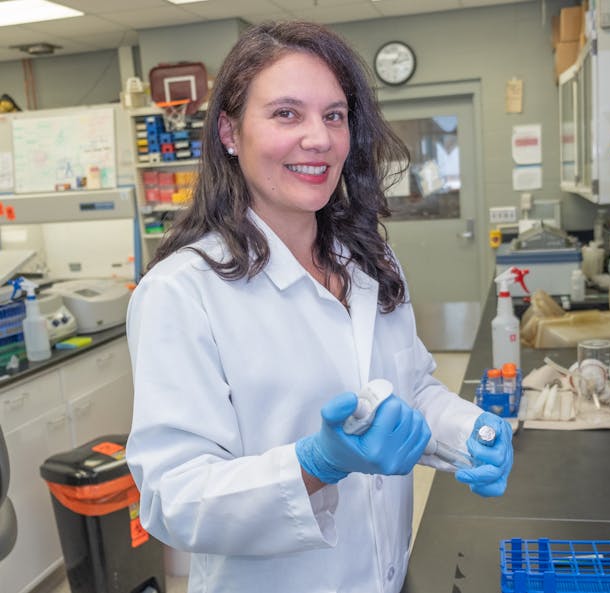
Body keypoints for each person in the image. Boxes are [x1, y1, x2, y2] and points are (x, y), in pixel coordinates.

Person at [125, 20, 513, 593]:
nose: (320, 138)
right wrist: (314, 464)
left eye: (333, 115)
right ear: (230, 132)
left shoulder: (368, 258)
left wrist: (468, 431)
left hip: (388, 574)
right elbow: (171, 497)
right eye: (286, 114)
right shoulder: (182, 292)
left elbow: (409, 388)